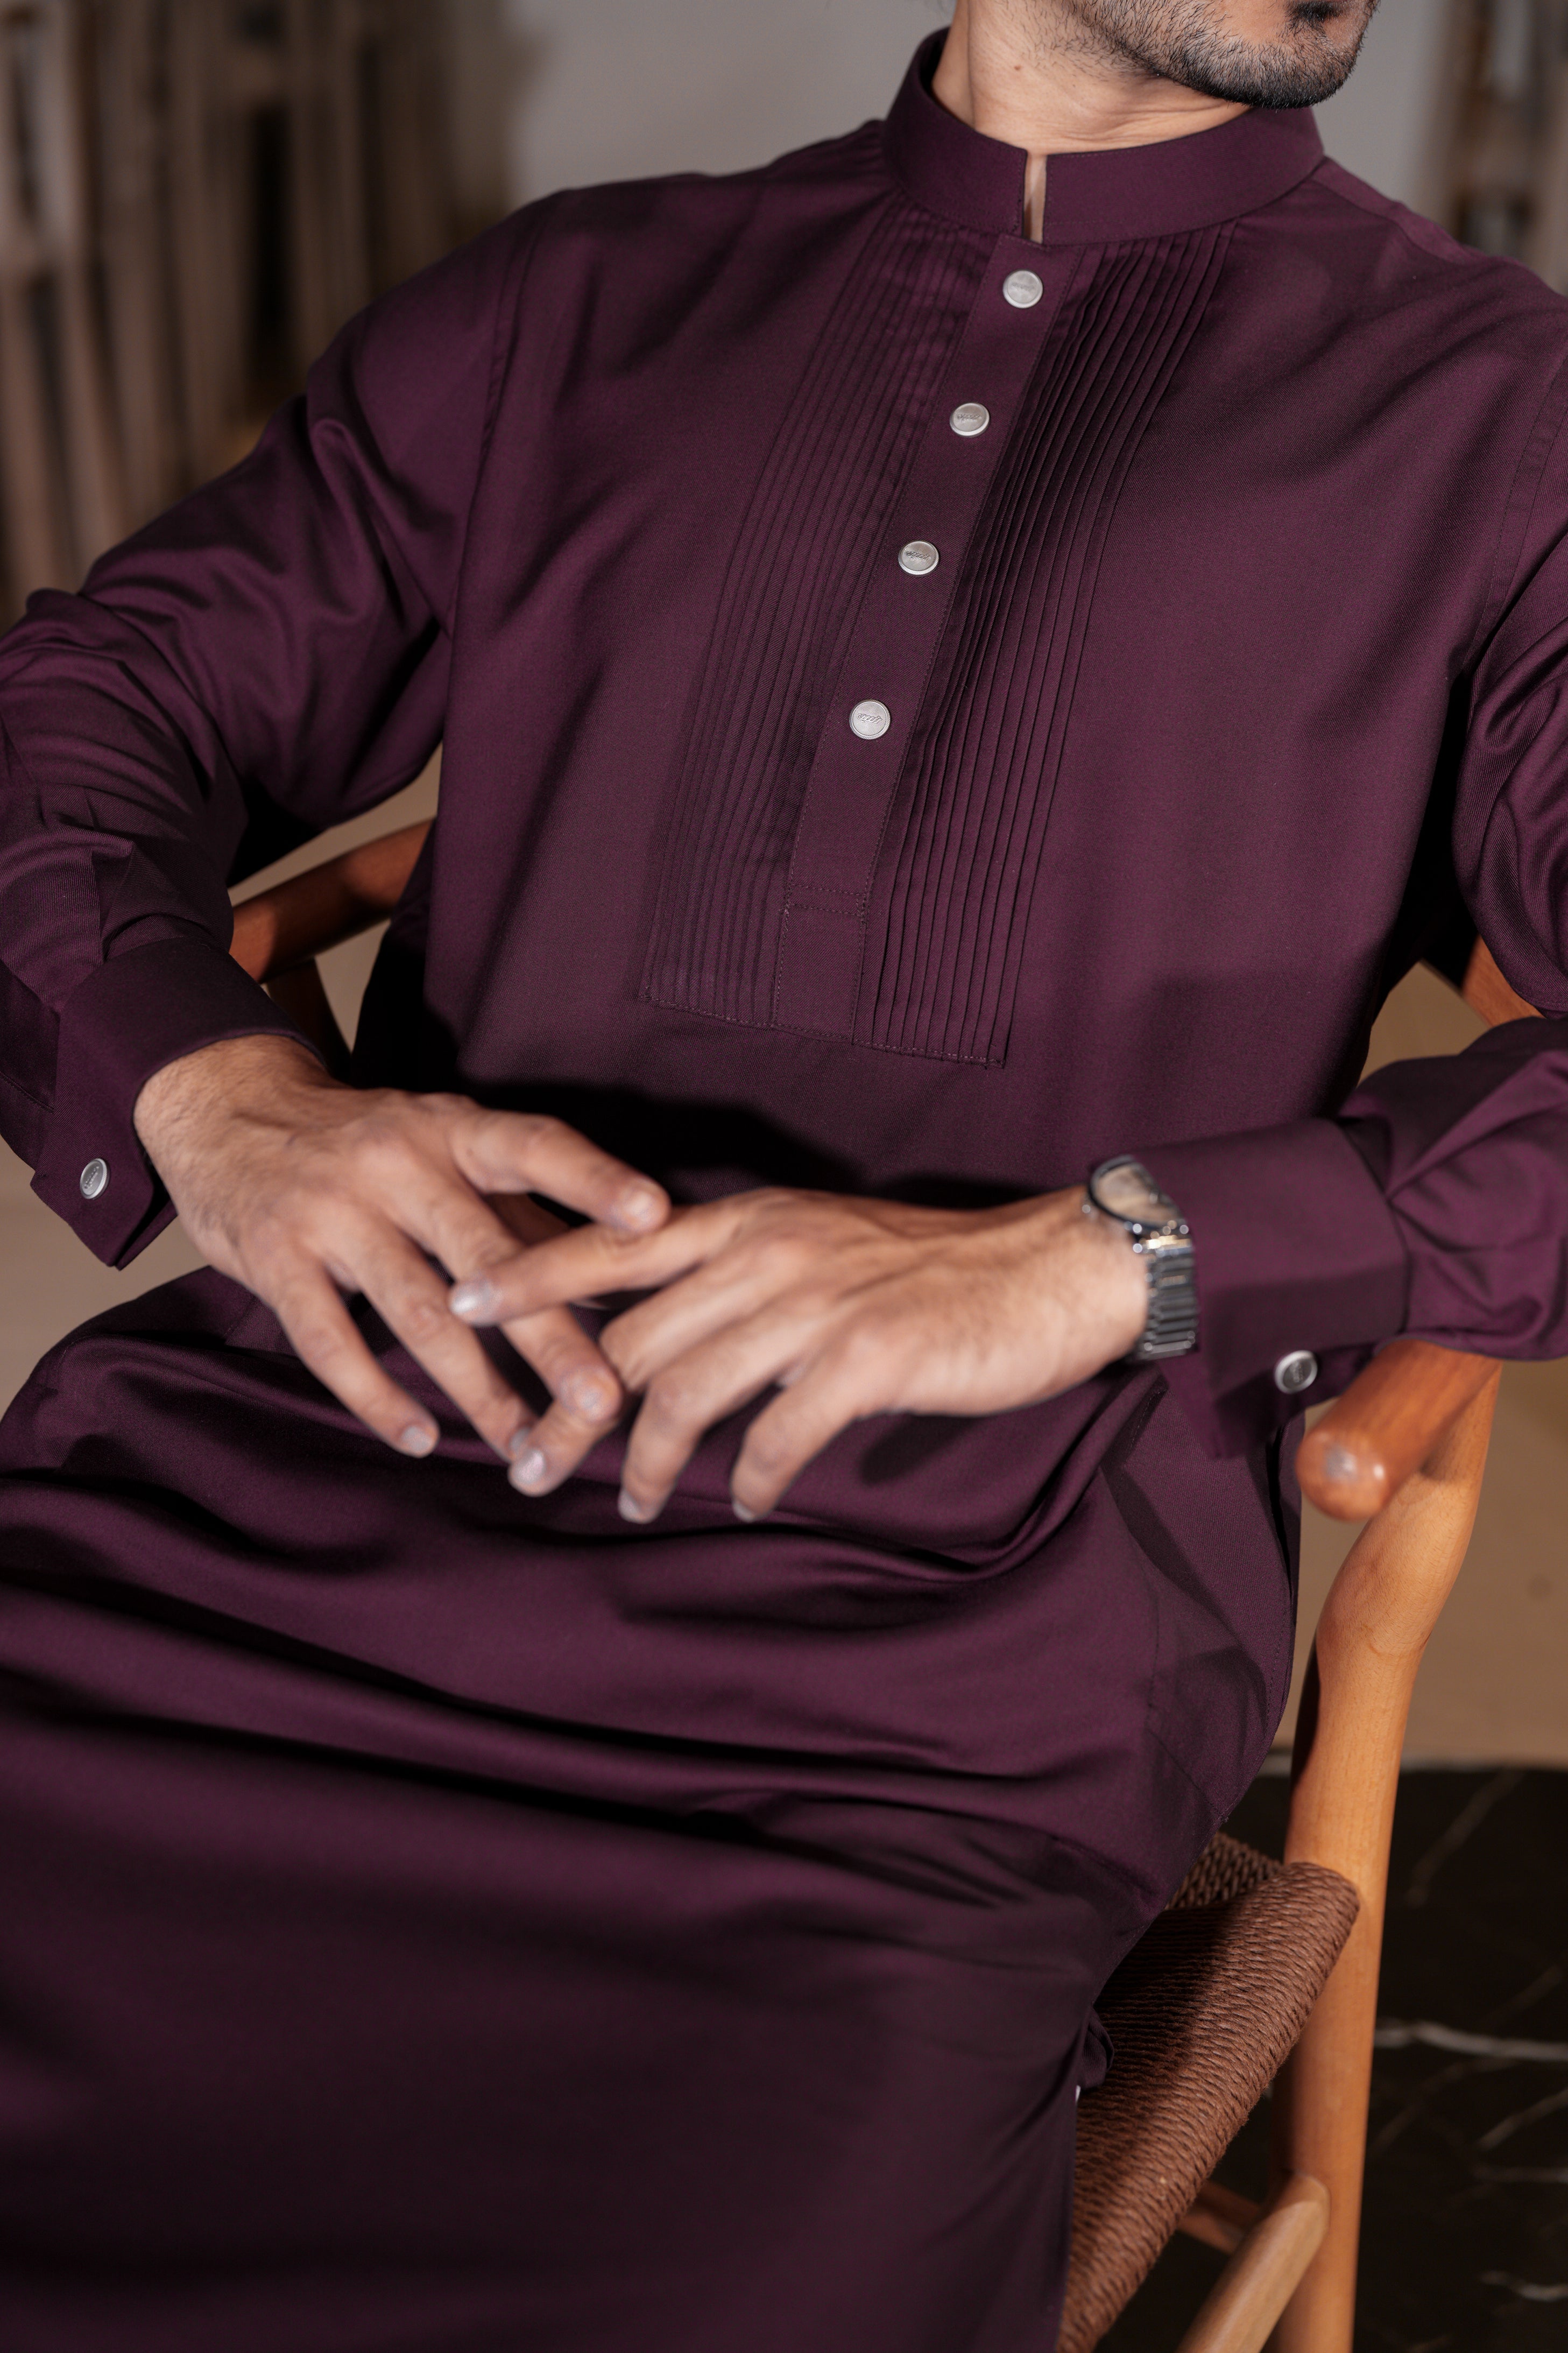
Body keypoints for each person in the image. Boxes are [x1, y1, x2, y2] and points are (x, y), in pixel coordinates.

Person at [1, 1, 1565, 2345]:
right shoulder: (577, 304)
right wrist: (213, 1095)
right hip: (272, 1523)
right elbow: (77, 714)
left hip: (930, 1673)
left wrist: (1108, 1255)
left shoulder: (1502, 415)